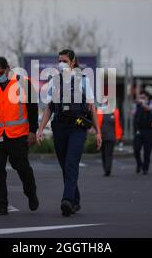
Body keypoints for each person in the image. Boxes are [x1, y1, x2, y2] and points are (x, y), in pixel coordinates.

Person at [37, 49, 102, 217]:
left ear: (73, 62)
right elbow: (49, 108)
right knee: (65, 165)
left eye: (64, 60)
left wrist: (98, 131)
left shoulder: (83, 80)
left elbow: (91, 107)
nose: (61, 63)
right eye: (59, 60)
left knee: (71, 163)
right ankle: (76, 200)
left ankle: (66, 200)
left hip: (77, 127)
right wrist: (40, 129)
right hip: (59, 126)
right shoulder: (54, 81)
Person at [0, 57, 39, 215]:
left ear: (8, 68)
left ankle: (31, 193)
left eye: (0, 73)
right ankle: (1, 205)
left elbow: (32, 108)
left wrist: (33, 131)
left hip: (18, 135)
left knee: (22, 168)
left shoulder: (23, 83)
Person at [96, 97, 123, 176]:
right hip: (102, 137)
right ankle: (106, 168)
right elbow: (96, 123)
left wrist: (119, 136)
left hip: (111, 137)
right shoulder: (100, 111)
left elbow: (119, 124)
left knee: (108, 154)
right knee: (103, 154)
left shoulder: (115, 112)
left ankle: (108, 170)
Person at [133, 93, 152, 175]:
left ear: (147, 98)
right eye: (141, 98)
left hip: (148, 132)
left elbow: (150, 109)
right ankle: (139, 164)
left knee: (147, 151)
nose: (142, 99)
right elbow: (133, 114)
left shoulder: (151, 105)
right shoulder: (137, 107)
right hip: (139, 131)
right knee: (136, 149)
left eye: (144, 98)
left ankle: (145, 168)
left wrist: (143, 104)